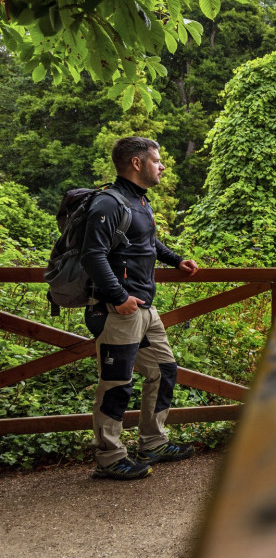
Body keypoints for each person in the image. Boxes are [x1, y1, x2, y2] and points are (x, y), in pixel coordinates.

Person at [81, 137, 199, 480]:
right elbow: (93, 255)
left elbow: (146, 242)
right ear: (136, 163)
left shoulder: (139, 201)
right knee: (116, 384)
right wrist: (118, 298)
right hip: (118, 309)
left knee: (164, 371)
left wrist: (176, 260)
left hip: (144, 307)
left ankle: (153, 442)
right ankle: (109, 457)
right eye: (157, 161)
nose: (162, 166)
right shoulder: (108, 202)